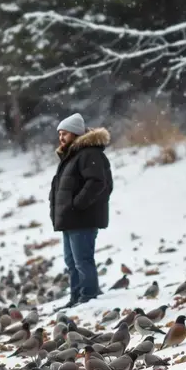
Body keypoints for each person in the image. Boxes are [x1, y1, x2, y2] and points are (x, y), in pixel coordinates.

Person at [49, 113, 113, 308]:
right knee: (72, 262)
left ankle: (89, 296)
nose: (61, 137)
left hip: (82, 219)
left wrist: (77, 205)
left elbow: (98, 183)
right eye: (59, 133)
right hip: (70, 220)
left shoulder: (89, 154)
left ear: (76, 134)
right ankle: (76, 298)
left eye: (65, 133)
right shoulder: (72, 156)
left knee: (83, 261)